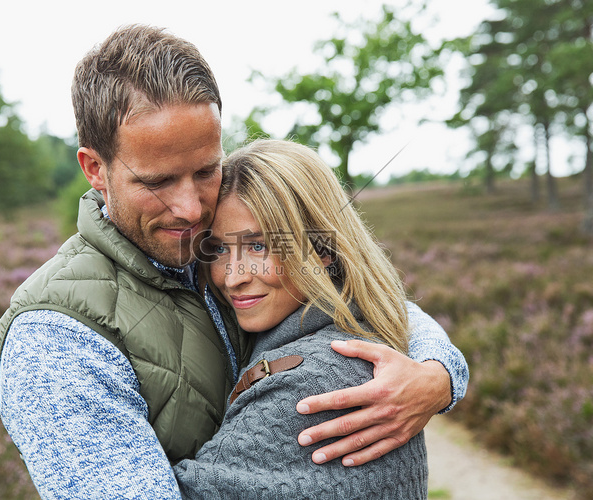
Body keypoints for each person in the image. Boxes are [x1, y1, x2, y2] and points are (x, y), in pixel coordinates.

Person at [0, 24, 468, 498]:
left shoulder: (202, 244)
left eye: (205, 171)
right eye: (158, 181)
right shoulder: (55, 340)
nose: (192, 208)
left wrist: (437, 375)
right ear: (96, 169)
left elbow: (360, 297)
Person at [174, 138, 430, 498]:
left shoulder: (307, 386)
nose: (232, 277)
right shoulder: (353, 330)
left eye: (259, 246)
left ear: (322, 250)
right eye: (217, 249)